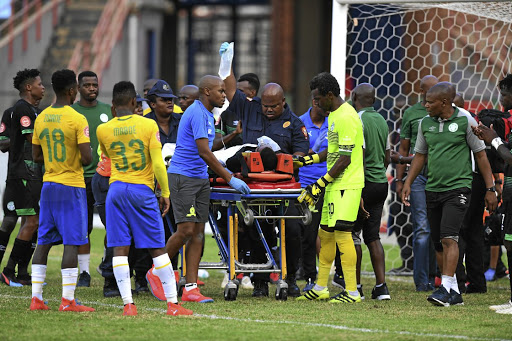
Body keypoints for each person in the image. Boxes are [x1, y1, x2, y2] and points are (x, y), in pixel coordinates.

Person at [147, 75, 250, 303]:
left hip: (199, 178)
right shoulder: (196, 112)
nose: (224, 95)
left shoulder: (206, 114)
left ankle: (191, 288)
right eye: (220, 91)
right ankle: (156, 270)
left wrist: (232, 137)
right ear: (206, 92)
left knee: (197, 234)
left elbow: (205, 146)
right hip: (183, 178)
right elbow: (204, 152)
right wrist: (229, 178)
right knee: (184, 231)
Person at [220, 42, 309, 297]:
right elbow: (229, 91)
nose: (268, 111)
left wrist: (285, 157)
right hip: (255, 187)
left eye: (273, 107)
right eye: (265, 106)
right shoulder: (250, 107)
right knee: (255, 229)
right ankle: (259, 281)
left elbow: (302, 152)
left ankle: (290, 278)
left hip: (284, 188)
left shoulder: (294, 123)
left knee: (292, 230)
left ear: (283, 102)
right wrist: (226, 66)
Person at [96, 81, 191, 316]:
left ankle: (128, 305)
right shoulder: (148, 125)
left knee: (120, 247)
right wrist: (165, 193)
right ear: (133, 102)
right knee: (157, 248)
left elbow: (107, 155)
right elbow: (158, 162)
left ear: (113, 106)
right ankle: (173, 304)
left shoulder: (103, 129)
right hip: (142, 190)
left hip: (116, 190)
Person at [402, 82, 497, 307]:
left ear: (444, 102)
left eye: (430, 102)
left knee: (449, 237)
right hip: (433, 188)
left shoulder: (465, 121)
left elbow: (481, 156)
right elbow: (420, 156)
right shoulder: (425, 123)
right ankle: (453, 291)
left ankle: (444, 287)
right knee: (438, 242)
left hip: (459, 188)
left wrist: (491, 188)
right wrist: (407, 181)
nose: (425, 105)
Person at [29, 68, 94, 312]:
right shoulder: (77, 118)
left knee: (44, 241)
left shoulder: (42, 116)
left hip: (49, 185)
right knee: (72, 242)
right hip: (71, 185)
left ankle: (36, 299)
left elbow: (36, 155)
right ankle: (67, 301)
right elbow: (87, 157)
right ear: (71, 90)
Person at [296, 72, 364, 303]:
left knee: (343, 235)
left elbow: (344, 159)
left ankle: (352, 292)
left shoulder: (346, 117)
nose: (315, 103)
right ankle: (321, 286)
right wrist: (308, 160)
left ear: (330, 95)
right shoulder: (334, 114)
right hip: (335, 185)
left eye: (317, 99)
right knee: (325, 235)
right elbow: (332, 150)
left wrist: (319, 184)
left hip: (346, 184)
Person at [0, 69, 44, 287]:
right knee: (28, 221)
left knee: (32, 222)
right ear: (29, 87)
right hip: (24, 175)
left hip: (32, 174)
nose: (43, 87)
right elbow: (30, 140)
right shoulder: (21, 109)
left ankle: (20, 272)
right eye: (39, 84)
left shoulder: (34, 111)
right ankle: (8, 270)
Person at [395, 75, 439, 291]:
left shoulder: (444, 112)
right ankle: (421, 281)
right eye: (428, 90)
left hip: (441, 176)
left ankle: (435, 275)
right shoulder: (412, 113)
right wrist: (400, 179)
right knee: (422, 228)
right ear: (421, 91)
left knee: (437, 228)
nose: (431, 95)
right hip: (418, 176)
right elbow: (403, 149)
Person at [472, 73, 512, 314]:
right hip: (509, 192)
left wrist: (494, 139)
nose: (502, 100)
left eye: (505, 95)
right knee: (508, 243)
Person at [71, 71, 112, 287]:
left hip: (107, 177)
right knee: (82, 227)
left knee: (112, 225)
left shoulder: (108, 111)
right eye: (87, 85)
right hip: (80, 178)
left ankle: (107, 263)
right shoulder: (72, 112)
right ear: (78, 88)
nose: (92, 88)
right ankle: (84, 272)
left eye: (94, 84)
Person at [352, 83, 391, 300]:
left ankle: (356, 286)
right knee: (373, 236)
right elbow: (386, 157)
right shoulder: (381, 120)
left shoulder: (358, 120)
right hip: (380, 183)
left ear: (354, 96)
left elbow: (359, 156)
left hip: (363, 183)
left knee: (353, 235)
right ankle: (381, 287)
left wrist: (359, 190)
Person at [297, 98, 328, 292]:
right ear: (316, 102)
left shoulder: (333, 123)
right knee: (308, 232)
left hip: (330, 182)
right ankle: (310, 275)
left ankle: (337, 276)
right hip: (306, 184)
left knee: (331, 231)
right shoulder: (299, 123)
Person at [212, 73, 261, 151]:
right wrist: (234, 133)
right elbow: (214, 144)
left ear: (252, 93)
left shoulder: (262, 113)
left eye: (240, 91)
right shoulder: (226, 114)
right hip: (231, 159)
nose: (235, 94)